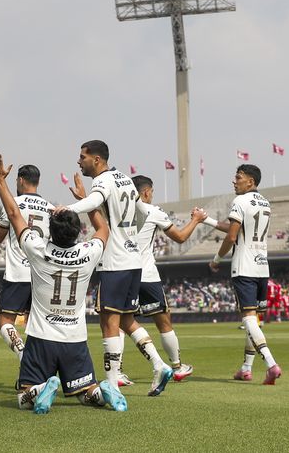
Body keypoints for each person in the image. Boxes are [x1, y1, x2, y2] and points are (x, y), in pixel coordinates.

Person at [0, 152, 126, 414]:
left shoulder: (38, 250)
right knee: (84, 392)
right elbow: (104, 229)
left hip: (41, 339)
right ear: (77, 232)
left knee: (22, 396)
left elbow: (14, 214)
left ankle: (39, 390)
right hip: (75, 340)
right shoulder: (88, 253)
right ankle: (99, 392)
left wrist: (0, 181)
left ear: (51, 231)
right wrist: (86, 200)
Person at [64, 140, 173, 397]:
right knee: (126, 320)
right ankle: (159, 364)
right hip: (134, 260)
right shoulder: (124, 178)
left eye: (82, 157)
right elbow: (137, 210)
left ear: (97, 160)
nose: (79, 162)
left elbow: (95, 202)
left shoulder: (101, 182)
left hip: (114, 262)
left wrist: (67, 208)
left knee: (108, 322)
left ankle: (112, 385)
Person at [206, 164, 282, 385]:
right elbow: (237, 228)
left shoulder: (239, 201)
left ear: (250, 181)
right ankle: (246, 368)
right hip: (262, 266)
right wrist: (207, 220)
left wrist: (216, 260)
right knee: (254, 319)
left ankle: (271, 364)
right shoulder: (265, 202)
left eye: (238, 177)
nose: (234, 181)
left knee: (248, 318)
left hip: (244, 265)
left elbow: (232, 237)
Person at [126, 175, 207, 382]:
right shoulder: (154, 212)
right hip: (146, 274)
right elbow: (180, 237)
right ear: (146, 192)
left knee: (119, 320)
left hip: (122, 272)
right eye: (151, 192)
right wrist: (196, 220)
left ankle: (116, 373)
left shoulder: (120, 209)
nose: (152, 195)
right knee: (164, 321)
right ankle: (177, 367)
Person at [0, 164, 53, 362]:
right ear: (38, 181)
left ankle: (22, 353)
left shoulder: (14, 203)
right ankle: (43, 366)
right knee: (38, 325)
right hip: (42, 274)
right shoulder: (50, 207)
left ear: (21, 180)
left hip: (18, 273)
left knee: (4, 323)